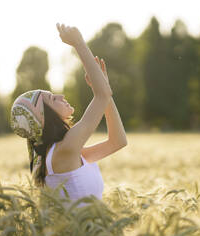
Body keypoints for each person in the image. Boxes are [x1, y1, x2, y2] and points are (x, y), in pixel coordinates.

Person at [10, 23, 127, 208]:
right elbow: (101, 95)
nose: (61, 96)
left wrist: (105, 90)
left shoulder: (65, 151)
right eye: (52, 98)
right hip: (87, 235)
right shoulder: (65, 150)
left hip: (92, 233)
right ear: (43, 117)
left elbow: (118, 142)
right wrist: (79, 43)